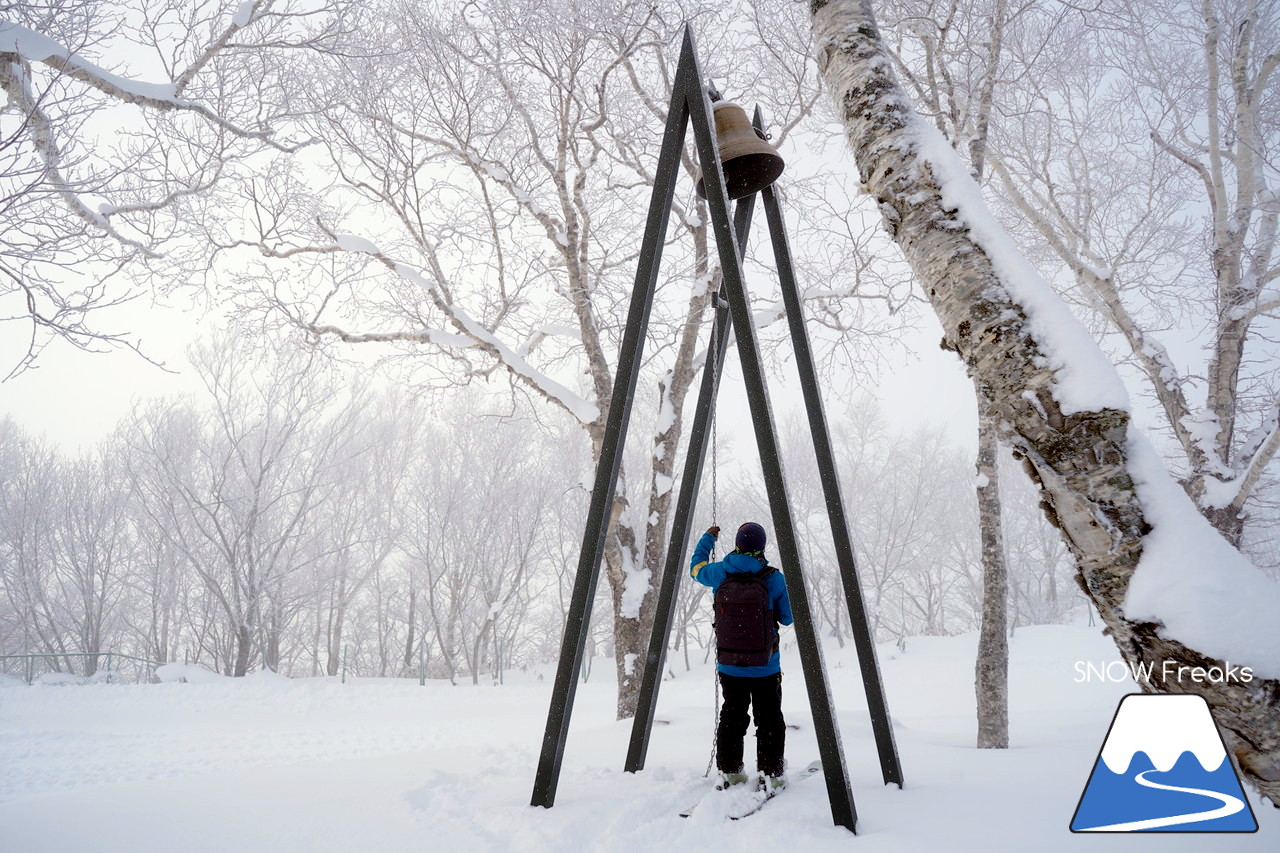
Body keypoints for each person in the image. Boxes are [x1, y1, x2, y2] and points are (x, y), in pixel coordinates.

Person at [689, 521, 793, 791]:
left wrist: (708, 538)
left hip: (730, 664)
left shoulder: (718, 573)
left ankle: (731, 772)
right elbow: (787, 618)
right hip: (765, 666)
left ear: (737, 543)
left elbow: (695, 568)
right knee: (769, 719)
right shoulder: (773, 578)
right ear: (761, 547)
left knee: (732, 717)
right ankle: (771, 774)